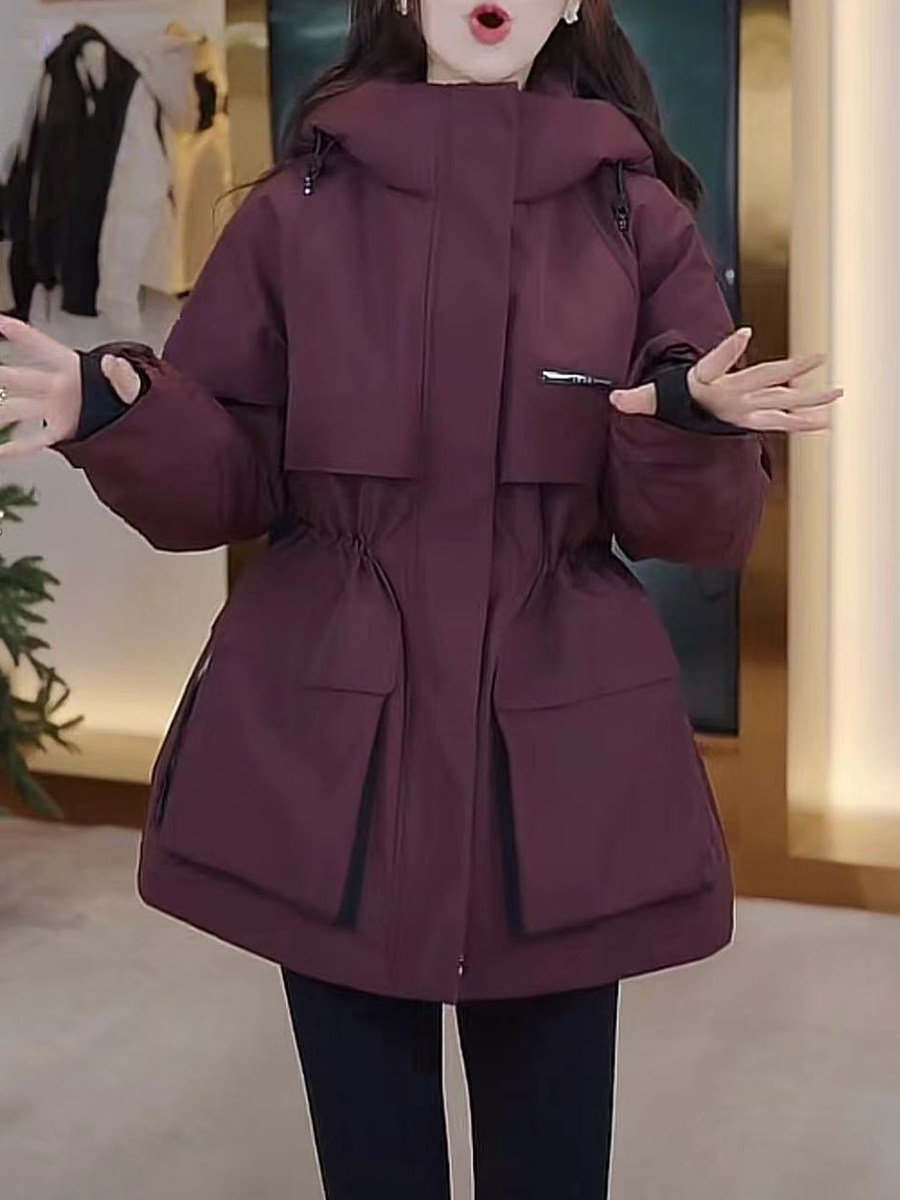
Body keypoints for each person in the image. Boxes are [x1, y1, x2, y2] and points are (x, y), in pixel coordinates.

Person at [0, 1, 842, 1196]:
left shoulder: (636, 218)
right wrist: (122, 416)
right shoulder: (293, 213)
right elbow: (225, 484)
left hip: (556, 765)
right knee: (372, 1166)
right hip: (333, 752)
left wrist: (691, 429)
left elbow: (697, 535)